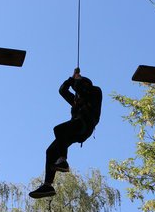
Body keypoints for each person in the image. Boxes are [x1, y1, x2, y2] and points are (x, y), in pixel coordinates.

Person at [29, 68, 102, 199]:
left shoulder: (95, 92)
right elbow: (62, 91)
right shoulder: (77, 100)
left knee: (59, 129)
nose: (76, 94)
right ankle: (48, 185)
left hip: (84, 125)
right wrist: (71, 79)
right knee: (51, 151)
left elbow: (82, 90)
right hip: (76, 129)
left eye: (78, 86)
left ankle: (63, 160)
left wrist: (77, 80)